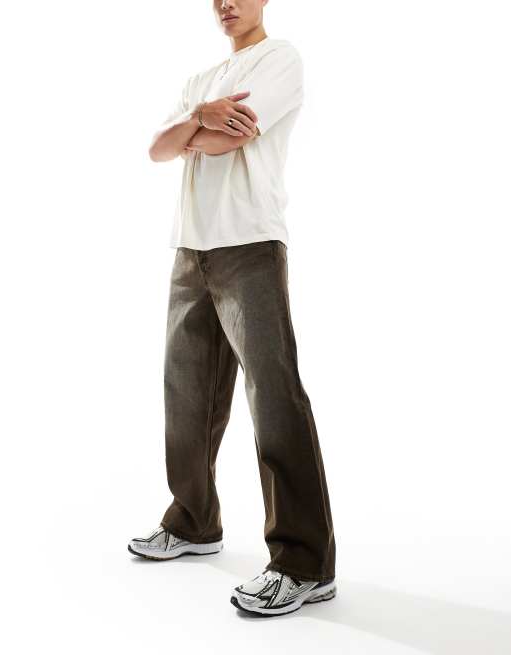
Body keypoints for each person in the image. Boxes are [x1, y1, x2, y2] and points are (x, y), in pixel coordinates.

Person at [128, 0, 337, 617]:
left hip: (250, 245)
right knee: (186, 394)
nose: (226, 4)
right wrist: (200, 116)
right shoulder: (201, 80)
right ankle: (193, 522)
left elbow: (225, 142)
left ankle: (304, 563)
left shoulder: (279, 59)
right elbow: (157, 149)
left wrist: (194, 134)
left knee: (274, 398)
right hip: (192, 248)